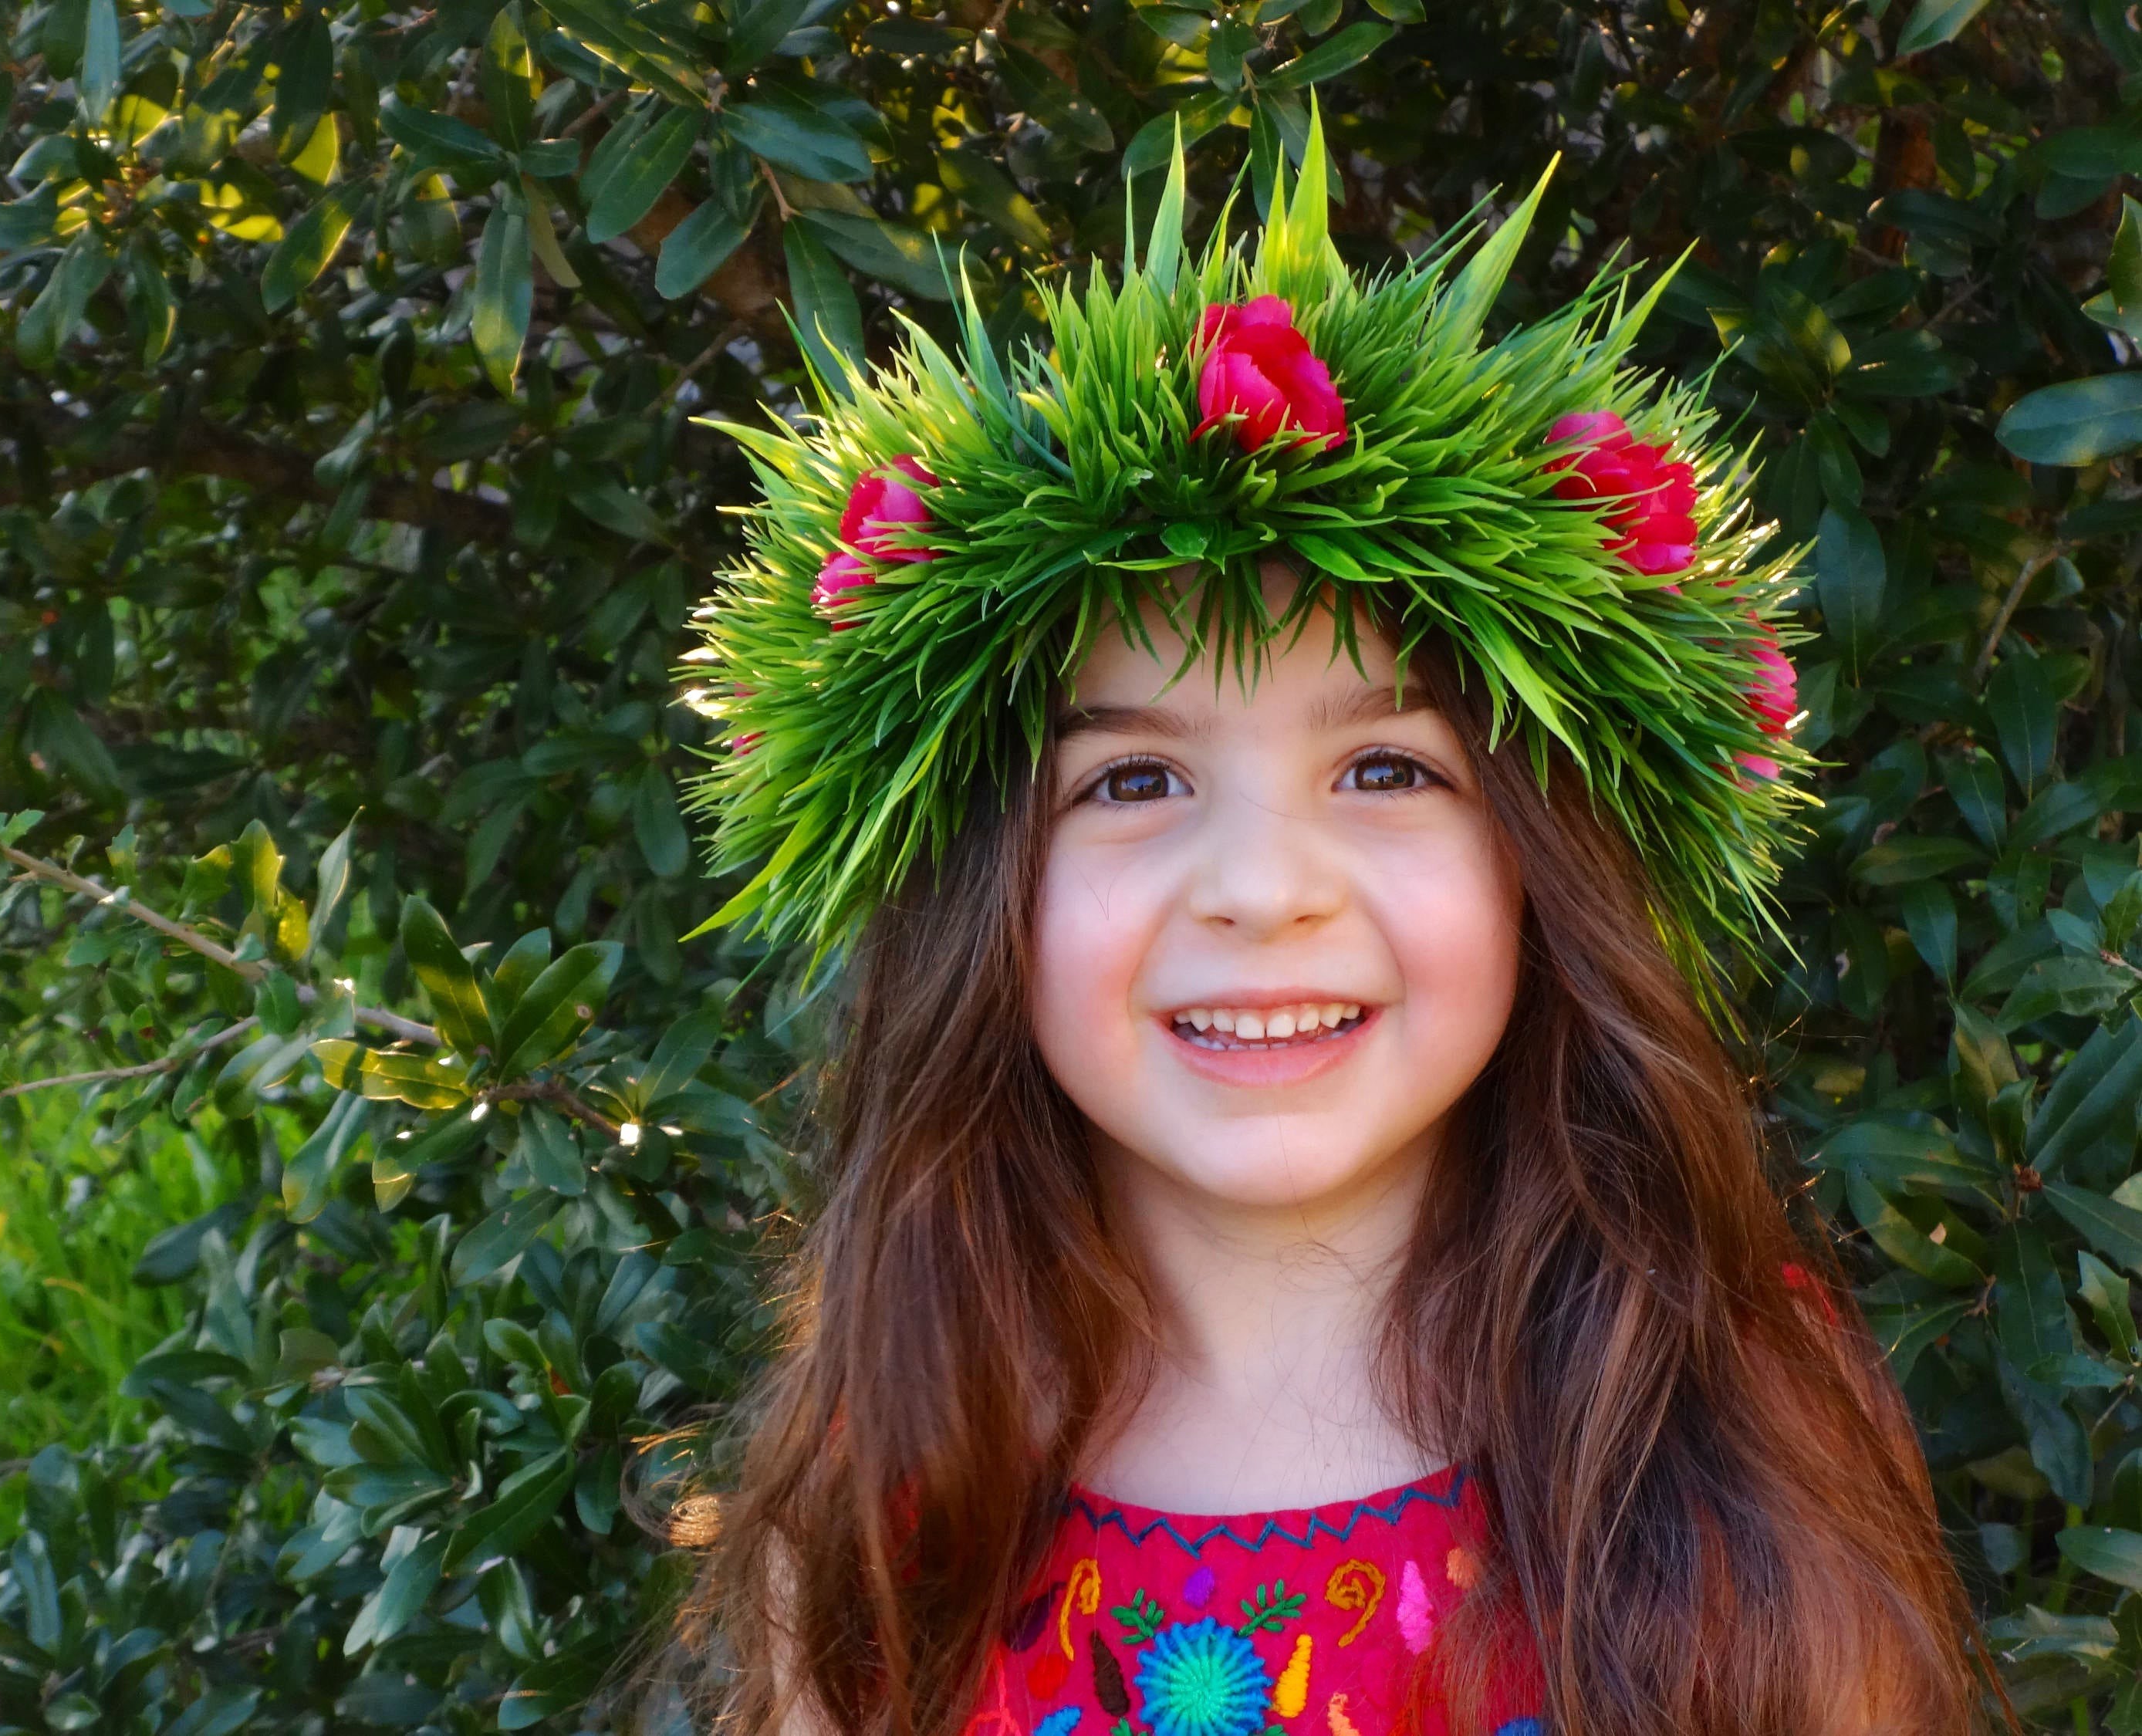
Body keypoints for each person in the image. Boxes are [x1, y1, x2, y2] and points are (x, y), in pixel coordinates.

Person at [673, 132, 1992, 1736]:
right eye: (1134, 777)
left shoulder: (1730, 1422)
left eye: (1386, 766)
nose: (1263, 886)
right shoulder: (892, 1490)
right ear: (977, 903)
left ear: (1540, 868)